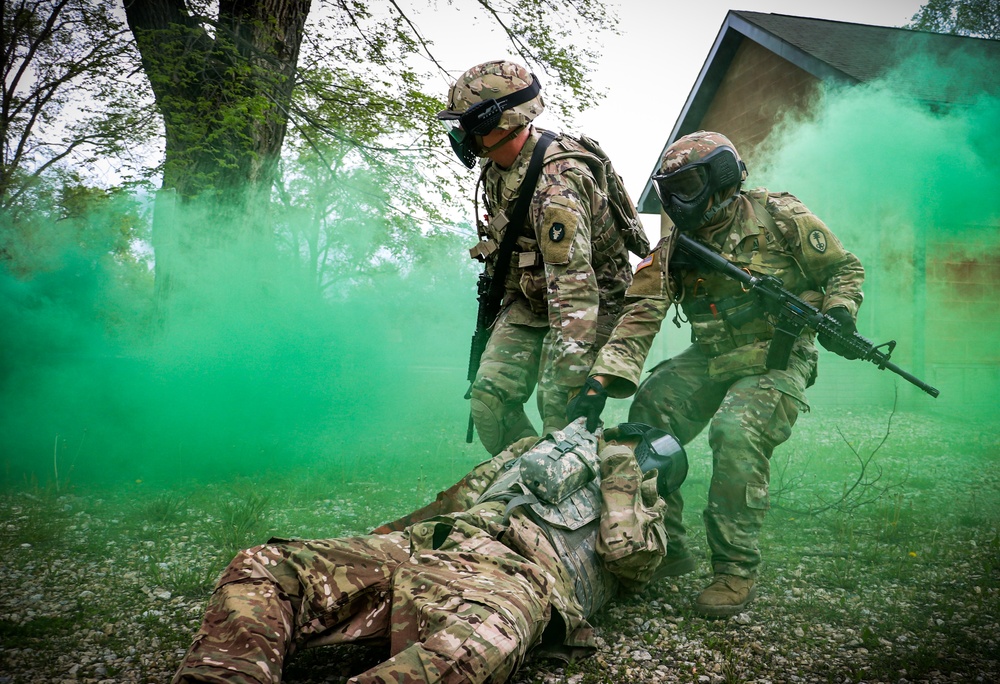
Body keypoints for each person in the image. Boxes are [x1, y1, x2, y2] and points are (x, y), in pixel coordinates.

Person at [568, 131, 865, 618]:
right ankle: (665, 543)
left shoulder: (778, 214)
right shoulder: (674, 248)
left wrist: (840, 312)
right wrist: (600, 382)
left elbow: (843, 268)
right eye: (672, 188)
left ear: (721, 177)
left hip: (778, 353)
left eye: (689, 184)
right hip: (711, 354)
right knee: (650, 408)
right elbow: (640, 314)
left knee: (736, 430)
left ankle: (734, 569)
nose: (680, 198)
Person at [171, 419, 687, 684]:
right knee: (268, 565)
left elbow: (625, 555)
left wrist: (624, 481)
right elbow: (458, 496)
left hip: (517, 579)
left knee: (476, 649)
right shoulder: (546, 452)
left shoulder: (646, 520)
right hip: (435, 542)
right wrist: (372, 544)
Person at [439, 59, 646, 456]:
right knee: (488, 401)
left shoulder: (556, 185)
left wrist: (576, 381)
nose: (459, 136)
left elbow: (576, 290)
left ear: (499, 124)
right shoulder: (499, 167)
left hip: (586, 304)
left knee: (562, 417)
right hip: (534, 299)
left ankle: (580, 489)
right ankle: (529, 481)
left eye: (465, 125)